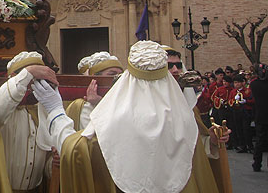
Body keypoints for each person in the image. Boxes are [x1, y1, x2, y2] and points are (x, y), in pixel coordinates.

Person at [45, 41, 228, 193]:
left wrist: (55, 112)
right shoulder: (182, 119)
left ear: (127, 78)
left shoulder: (113, 122)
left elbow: (76, 152)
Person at [0, 51, 61, 192]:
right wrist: (29, 72)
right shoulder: (1, 104)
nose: (37, 84)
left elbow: (46, 164)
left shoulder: (41, 111)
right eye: (34, 78)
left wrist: (54, 163)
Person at [65, 51, 123, 130]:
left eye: (120, 74)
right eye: (112, 74)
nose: (118, 78)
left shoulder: (123, 98)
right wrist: (98, 104)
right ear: (96, 78)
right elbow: (95, 136)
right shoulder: (83, 105)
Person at [228, 73, 254, 153]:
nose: (237, 84)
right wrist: (234, 100)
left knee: (246, 129)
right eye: (235, 83)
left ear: (242, 83)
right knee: (238, 129)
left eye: (238, 82)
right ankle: (242, 146)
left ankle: (250, 146)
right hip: (236, 111)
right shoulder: (233, 92)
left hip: (245, 111)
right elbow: (229, 101)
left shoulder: (247, 91)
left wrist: (246, 101)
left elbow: (253, 100)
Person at [250, 62, 268, 172]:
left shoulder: (254, 84)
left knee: (259, 142)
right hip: (262, 115)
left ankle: (257, 164)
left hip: (260, 116)